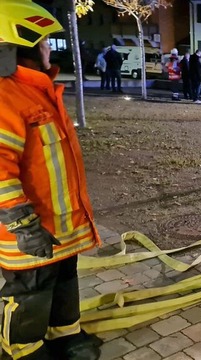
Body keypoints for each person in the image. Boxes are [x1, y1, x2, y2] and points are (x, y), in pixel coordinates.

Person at [0, 1, 103, 359]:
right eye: (43, 42)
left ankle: (65, 337)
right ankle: (23, 350)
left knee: (64, 280)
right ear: (16, 47)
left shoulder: (39, 90)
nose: (48, 48)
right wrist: (23, 224)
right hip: (28, 229)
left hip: (59, 225)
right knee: (30, 291)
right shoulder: (4, 98)